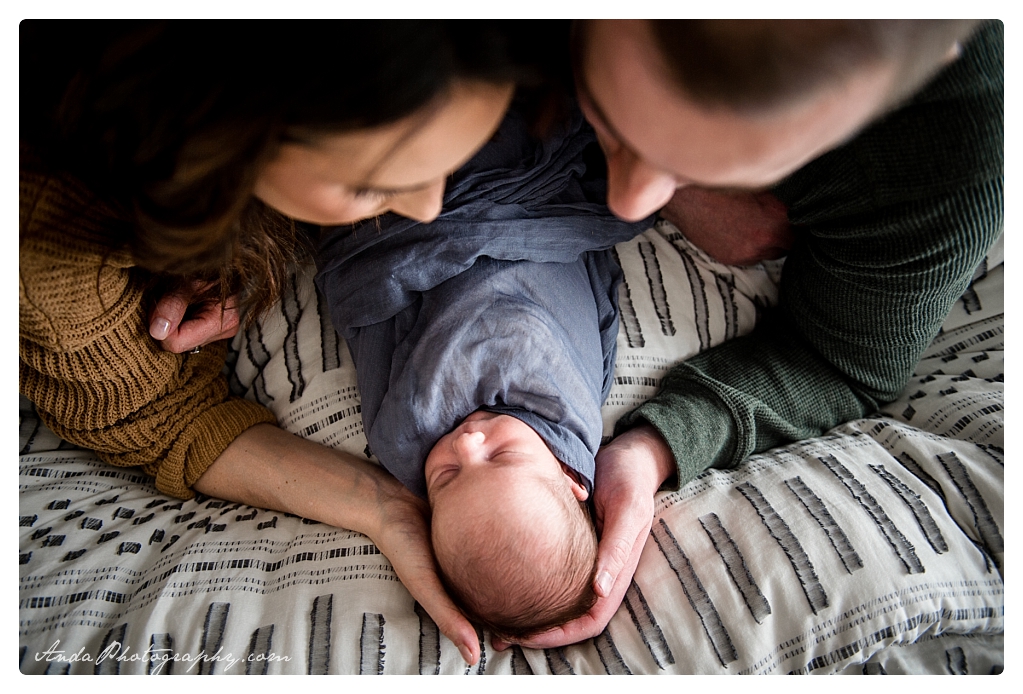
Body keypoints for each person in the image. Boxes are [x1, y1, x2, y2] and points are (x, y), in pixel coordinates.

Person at [19, 19, 574, 665]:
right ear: (232, 135)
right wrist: (378, 506)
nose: (428, 210)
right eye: (372, 184)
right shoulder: (47, 242)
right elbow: (156, 417)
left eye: (450, 160)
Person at [499, 19, 1003, 650]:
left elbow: (837, 364)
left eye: (701, 167)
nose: (628, 205)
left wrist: (654, 449)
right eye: (607, 112)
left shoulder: (953, 150)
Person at [315, 104, 651, 638]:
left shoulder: (404, 438)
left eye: (445, 479)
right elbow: (565, 322)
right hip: (513, 200)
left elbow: (373, 335)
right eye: (501, 456)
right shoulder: (568, 407)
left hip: (416, 229)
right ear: (571, 479)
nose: (467, 444)